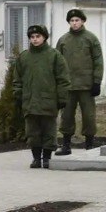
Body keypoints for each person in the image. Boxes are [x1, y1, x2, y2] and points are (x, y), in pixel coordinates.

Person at [14, 24, 70, 169]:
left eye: (38, 36)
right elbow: (17, 79)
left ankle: (46, 158)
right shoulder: (24, 57)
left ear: (44, 37)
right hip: (30, 101)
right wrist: (19, 95)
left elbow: (63, 79)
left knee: (48, 131)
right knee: (32, 132)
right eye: (32, 37)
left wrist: (62, 98)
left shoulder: (54, 55)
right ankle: (36, 158)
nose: (35, 39)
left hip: (49, 101)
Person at [55, 8, 104, 154]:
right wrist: (58, 83)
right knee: (66, 116)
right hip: (68, 86)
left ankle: (89, 144)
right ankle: (66, 145)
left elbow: (98, 60)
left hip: (87, 86)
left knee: (89, 116)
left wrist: (97, 81)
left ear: (82, 21)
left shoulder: (91, 38)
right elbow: (57, 63)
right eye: (72, 21)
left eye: (77, 20)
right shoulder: (63, 40)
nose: (74, 23)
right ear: (69, 22)